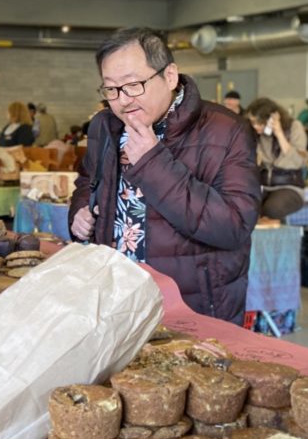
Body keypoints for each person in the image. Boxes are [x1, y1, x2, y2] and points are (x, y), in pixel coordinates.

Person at [69, 27, 261, 325]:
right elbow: (87, 180)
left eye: (133, 84)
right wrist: (81, 211)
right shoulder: (104, 126)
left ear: (169, 76)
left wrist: (152, 162)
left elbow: (234, 226)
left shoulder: (226, 130)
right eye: (111, 89)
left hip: (192, 306)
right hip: (116, 299)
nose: (122, 100)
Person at [245, 97, 308, 220]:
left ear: (270, 120)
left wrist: (279, 133)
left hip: (290, 187)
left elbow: (298, 162)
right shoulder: (259, 135)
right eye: (252, 122)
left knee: (271, 209)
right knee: (244, 206)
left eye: (259, 122)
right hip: (263, 186)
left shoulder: (295, 127)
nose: (255, 126)